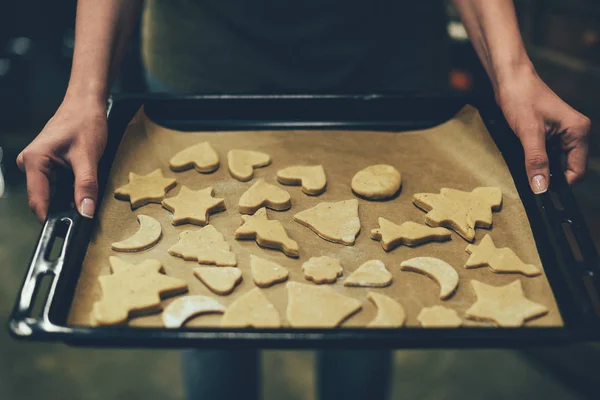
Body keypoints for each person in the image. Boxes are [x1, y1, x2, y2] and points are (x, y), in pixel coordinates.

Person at [17, 1, 591, 399]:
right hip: (204, 60)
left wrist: (512, 72)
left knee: (371, 310)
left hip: (384, 59)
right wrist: (85, 92)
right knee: (205, 320)